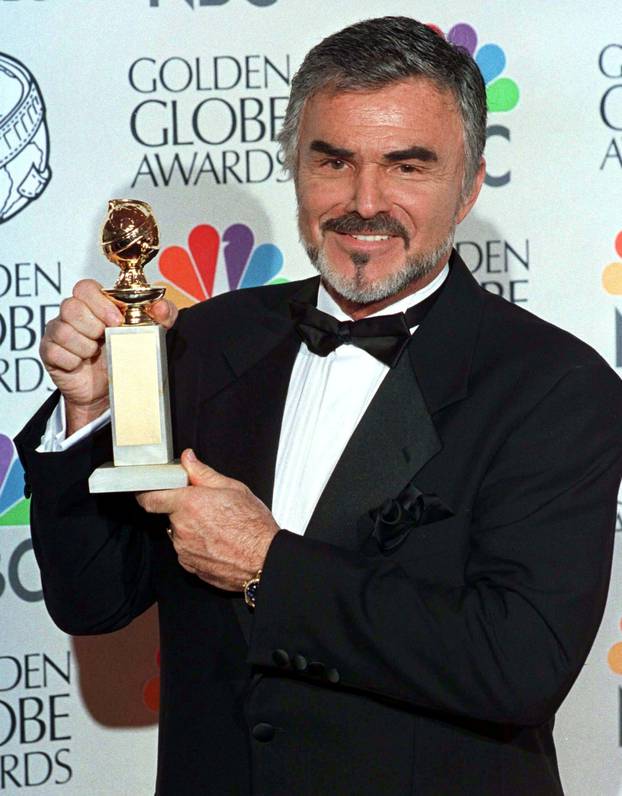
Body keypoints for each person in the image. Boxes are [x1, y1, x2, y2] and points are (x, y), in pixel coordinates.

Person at [16, 16, 622, 796]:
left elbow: (517, 664)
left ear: (469, 184)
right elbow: (91, 602)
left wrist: (269, 563)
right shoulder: (205, 340)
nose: (363, 202)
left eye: (408, 166)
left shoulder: (555, 387)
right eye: (333, 161)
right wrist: (91, 416)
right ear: (295, 167)